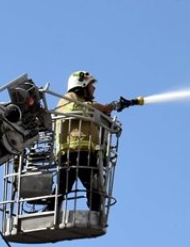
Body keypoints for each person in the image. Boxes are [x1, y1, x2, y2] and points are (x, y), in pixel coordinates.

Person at [52, 70, 137, 212]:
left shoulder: (84, 103)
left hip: (85, 153)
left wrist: (108, 110)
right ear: (82, 84)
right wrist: (102, 107)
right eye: (92, 85)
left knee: (94, 186)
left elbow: (95, 112)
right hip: (72, 152)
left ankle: (95, 213)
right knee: (66, 185)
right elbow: (74, 109)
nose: (94, 88)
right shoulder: (69, 98)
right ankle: (51, 210)